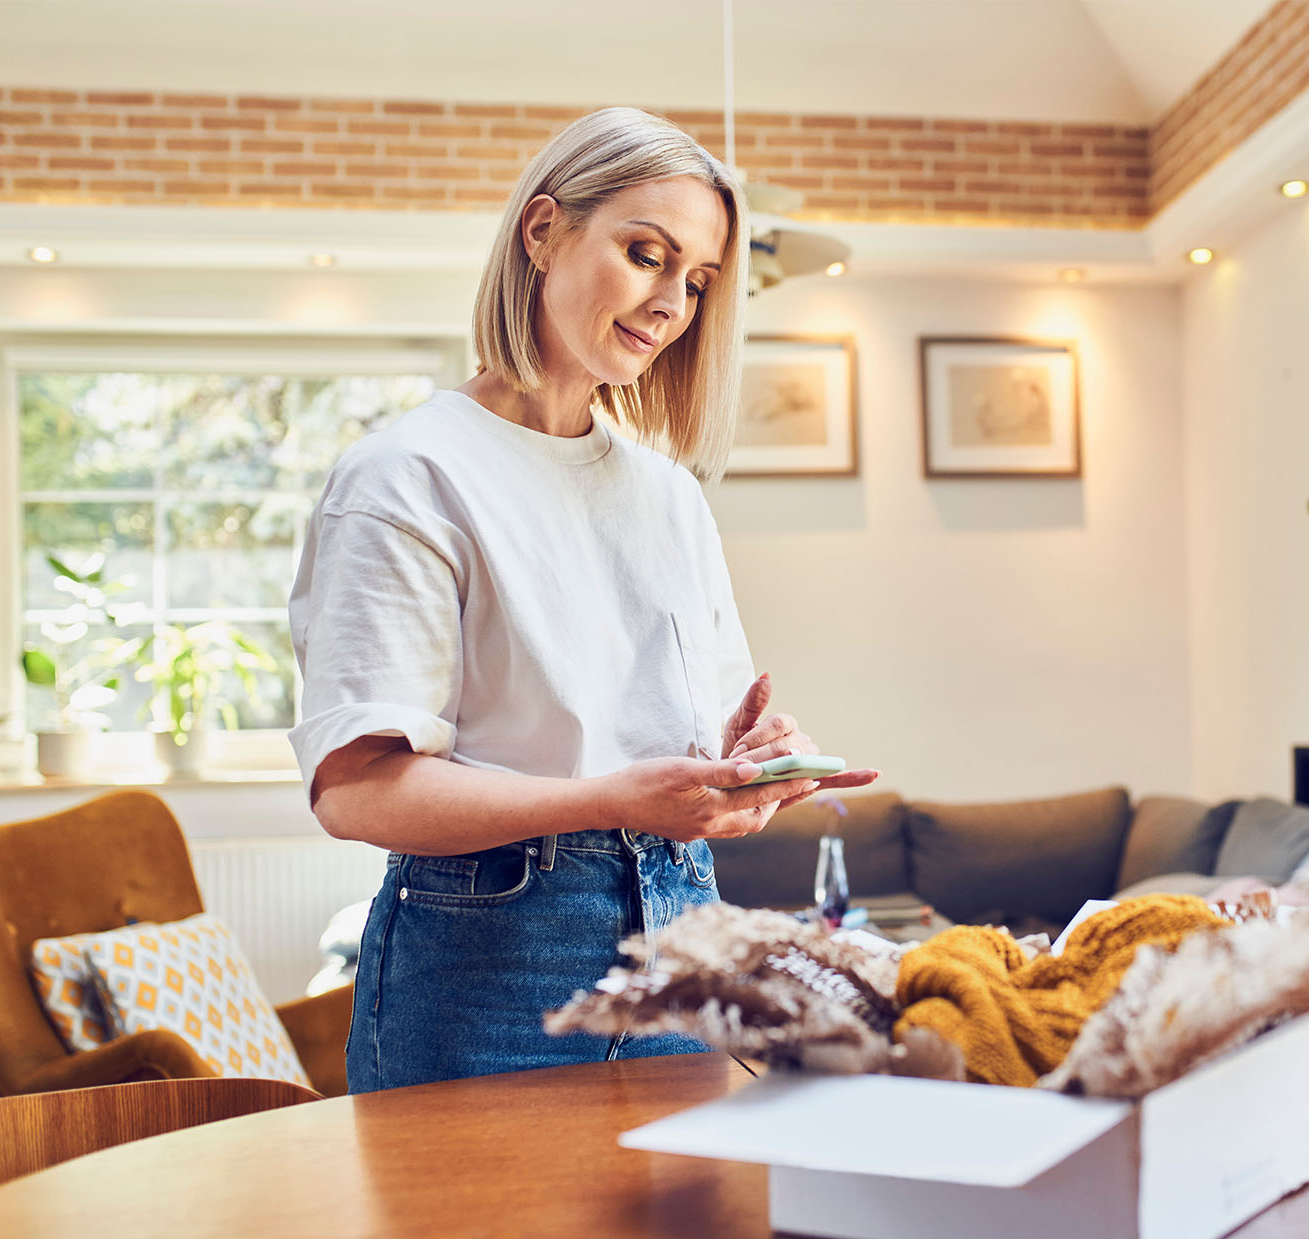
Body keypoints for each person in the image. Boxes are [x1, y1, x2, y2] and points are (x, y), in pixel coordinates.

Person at [287, 107, 878, 1093]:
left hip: (687, 930)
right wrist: (612, 797)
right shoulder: (407, 474)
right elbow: (357, 790)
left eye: (696, 281)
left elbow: (687, 744)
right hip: (491, 959)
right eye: (647, 254)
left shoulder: (666, 495)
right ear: (542, 231)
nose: (670, 303)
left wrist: (746, 770)